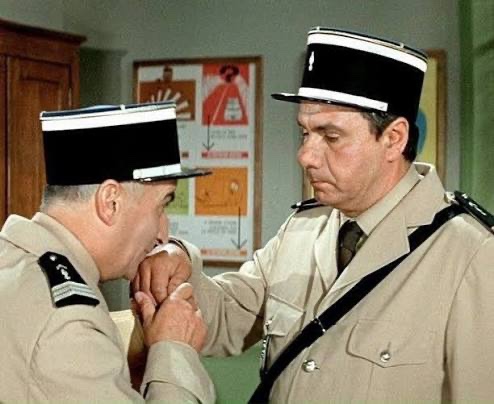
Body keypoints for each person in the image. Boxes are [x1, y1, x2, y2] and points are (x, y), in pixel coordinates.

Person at [134, 28, 494, 402]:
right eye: (305, 133)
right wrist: (180, 261)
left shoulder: (472, 255)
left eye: (331, 136)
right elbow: (227, 318)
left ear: (394, 138)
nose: (305, 155)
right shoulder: (304, 228)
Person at [0, 102, 215, 402]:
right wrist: (175, 351)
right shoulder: (67, 321)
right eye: (162, 205)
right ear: (111, 202)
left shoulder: (13, 262)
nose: (163, 235)